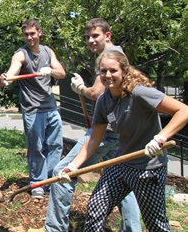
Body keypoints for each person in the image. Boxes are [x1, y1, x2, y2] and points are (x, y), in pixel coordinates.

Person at [60, 50, 188, 231]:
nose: (107, 75)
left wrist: (160, 138)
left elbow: (183, 111)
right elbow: (95, 138)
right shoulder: (104, 101)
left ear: (124, 71)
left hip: (147, 167)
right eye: (103, 71)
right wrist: (73, 167)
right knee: (96, 207)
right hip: (121, 163)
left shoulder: (140, 93)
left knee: (155, 224)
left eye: (113, 70)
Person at [41, 18, 141, 232]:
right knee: (124, 181)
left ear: (107, 35)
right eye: (87, 37)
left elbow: (96, 94)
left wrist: (81, 89)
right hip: (119, 131)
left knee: (62, 171)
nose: (90, 40)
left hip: (106, 133)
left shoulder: (110, 56)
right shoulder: (117, 53)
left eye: (95, 35)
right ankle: (133, 229)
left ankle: (55, 228)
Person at [0, 18, 66, 199]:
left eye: (32, 33)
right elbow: (11, 74)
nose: (29, 37)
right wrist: (3, 80)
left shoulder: (48, 52)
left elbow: (62, 73)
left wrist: (50, 70)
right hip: (32, 109)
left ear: (39, 33)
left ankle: (50, 181)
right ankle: (38, 184)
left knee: (55, 146)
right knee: (37, 148)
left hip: (50, 107)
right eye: (26, 34)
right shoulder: (21, 54)